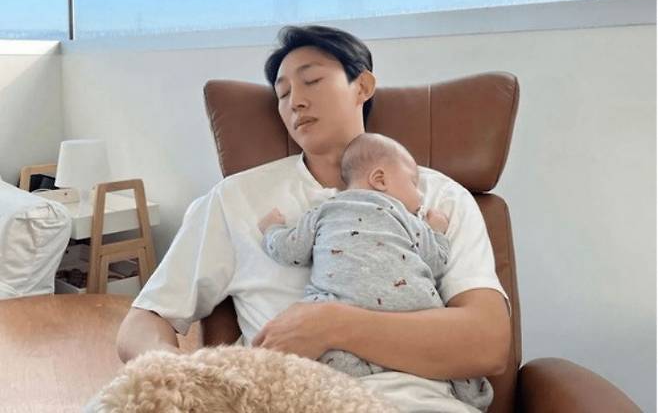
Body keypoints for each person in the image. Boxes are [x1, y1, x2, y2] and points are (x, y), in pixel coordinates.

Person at [116, 25, 511, 413]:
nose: (296, 102)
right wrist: (184, 379)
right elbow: (145, 319)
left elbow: (488, 343)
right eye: (283, 94)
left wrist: (332, 324)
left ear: (362, 86)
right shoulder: (236, 199)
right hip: (283, 400)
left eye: (312, 81)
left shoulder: (439, 198)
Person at [259, 132, 494, 411]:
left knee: (318, 367)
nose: (420, 195)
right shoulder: (405, 216)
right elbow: (436, 260)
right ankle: (471, 393)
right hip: (411, 311)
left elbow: (290, 251)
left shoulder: (323, 211)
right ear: (380, 179)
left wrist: (272, 229)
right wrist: (437, 230)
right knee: (452, 358)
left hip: (338, 327)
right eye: (413, 182)